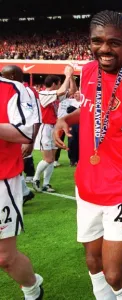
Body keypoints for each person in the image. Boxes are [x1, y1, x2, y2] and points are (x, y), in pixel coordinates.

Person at [53, 10, 122, 300]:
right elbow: (88, 110)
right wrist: (66, 120)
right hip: (86, 188)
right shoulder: (88, 71)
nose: (104, 49)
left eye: (114, 42)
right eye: (97, 41)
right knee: (93, 263)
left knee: (115, 274)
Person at [0, 76, 43, 299]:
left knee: (4, 257)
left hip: (2, 178)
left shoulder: (12, 90)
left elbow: (25, 132)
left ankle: (32, 288)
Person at [1, 65, 42, 204]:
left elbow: (36, 118)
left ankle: (25, 188)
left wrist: (30, 141)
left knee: (18, 164)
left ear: (12, 76)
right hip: (11, 135)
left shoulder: (26, 91)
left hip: (16, 138)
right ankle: (24, 191)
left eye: (4, 75)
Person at [32, 69, 77, 192]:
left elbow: (72, 91)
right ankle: (35, 178)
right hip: (45, 128)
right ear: (54, 84)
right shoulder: (43, 94)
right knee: (49, 159)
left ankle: (46, 184)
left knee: (52, 160)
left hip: (53, 128)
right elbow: (62, 90)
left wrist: (71, 77)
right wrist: (67, 75)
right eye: (59, 83)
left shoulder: (54, 95)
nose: (60, 85)